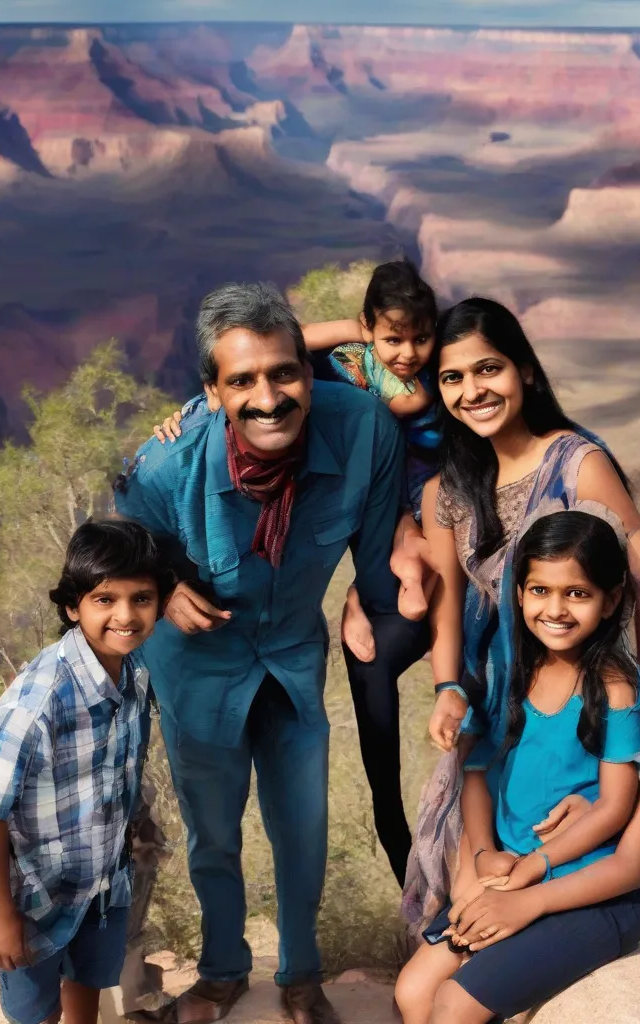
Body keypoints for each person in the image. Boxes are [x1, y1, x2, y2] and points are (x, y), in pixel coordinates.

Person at [113, 282, 409, 1024]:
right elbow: (125, 555)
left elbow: (377, 571)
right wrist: (165, 582)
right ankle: (220, 974)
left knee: (301, 825)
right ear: (211, 392)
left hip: (290, 657)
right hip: (197, 667)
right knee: (213, 830)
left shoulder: (365, 429)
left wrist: (375, 597)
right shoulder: (163, 470)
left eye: (283, 373)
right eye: (241, 380)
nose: (267, 397)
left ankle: (302, 977)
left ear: (308, 373)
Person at [397, 298, 640, 974]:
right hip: (493, 716)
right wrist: (445, 687)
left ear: (525, 369)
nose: (473, 391)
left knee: (530, 887)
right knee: (470, 889)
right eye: (452, 377)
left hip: (569, 718)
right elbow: (446, 604)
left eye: (488, 369)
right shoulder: (449, 488)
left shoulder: (576, 463)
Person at [151, 259, 441, 888]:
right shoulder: (351, 369)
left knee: (408, 582)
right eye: (392, 339)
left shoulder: (400, 389)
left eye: (422, 339)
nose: (409, 353)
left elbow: (288, 358)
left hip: (416, 502)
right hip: (386, 510)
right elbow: (266, 353)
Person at [395, 508, 640, 1024]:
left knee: (455, 1005)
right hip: (513, 868)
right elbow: (476, 772)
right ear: (519, 594)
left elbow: (612, 806)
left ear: (610, 602)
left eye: (577, 593)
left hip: (592, 884)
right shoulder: (510, 676)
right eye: (540, 591)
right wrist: (482, 855)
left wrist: (531, 874)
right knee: (413, 992)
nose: (556, 610)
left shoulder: (613, 687)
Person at [0, 520, 171, 1024]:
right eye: (105, 600)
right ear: (72, 606)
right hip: (36, 896)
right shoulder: (41, 701)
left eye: (141, 599)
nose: (125, 615)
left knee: (88, 982)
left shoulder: (134, 676)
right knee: (35, 1009)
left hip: (100, 884)